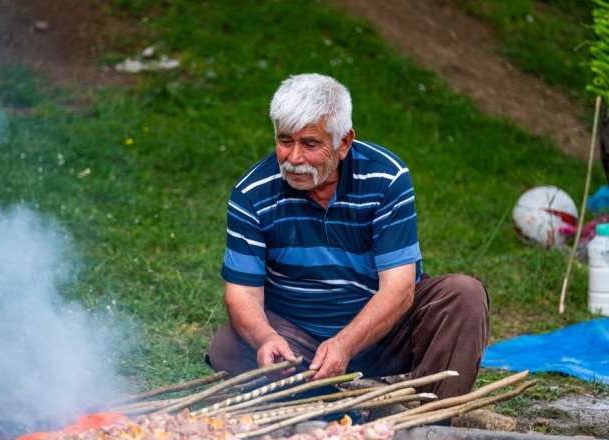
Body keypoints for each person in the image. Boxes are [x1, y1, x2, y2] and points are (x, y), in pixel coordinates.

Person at [206, 73, 489, 398]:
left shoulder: (385, 178)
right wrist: (265, 338)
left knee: (464, 296)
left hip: (384, 336)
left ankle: (427, 421)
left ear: (344, 143)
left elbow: (399, 290)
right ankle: (330, 401)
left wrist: (345, 343)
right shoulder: (252, 194)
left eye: (310, 144)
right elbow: (242, 294)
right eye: (285, 141)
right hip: (298, 337)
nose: (294, 158)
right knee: (230, 345)